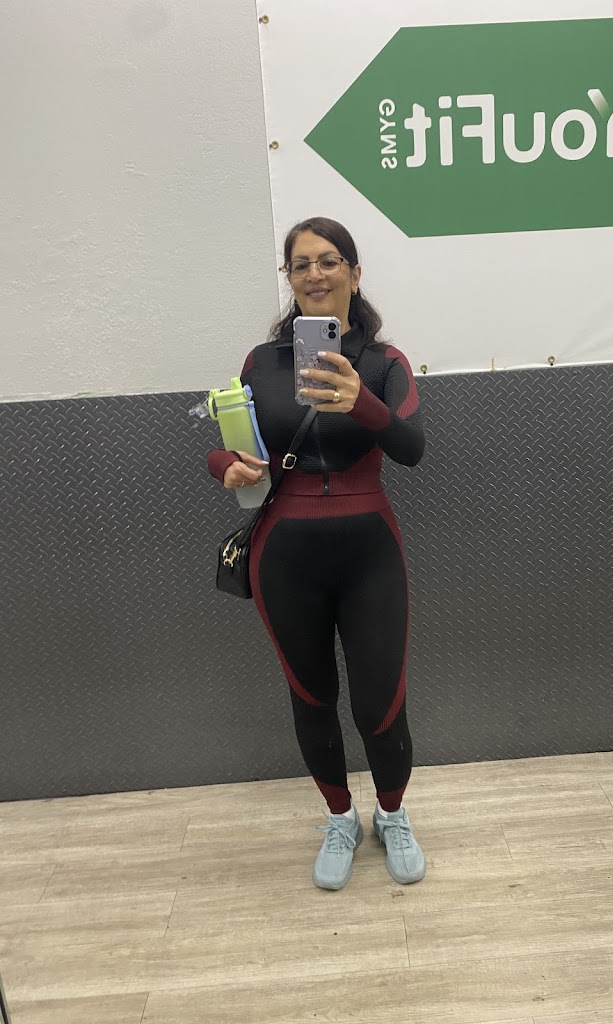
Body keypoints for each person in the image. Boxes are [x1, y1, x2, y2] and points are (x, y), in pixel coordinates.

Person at [207, 218, 427, 891]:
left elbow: (412, 448)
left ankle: (392, 814)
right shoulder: (261, 362)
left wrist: (363, 404)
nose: (314, 274)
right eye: (300, 264)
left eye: (328, 261)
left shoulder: (384, 363)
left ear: (354, 274)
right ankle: (339, 819)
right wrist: (224, 466)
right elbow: (230, 446)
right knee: (311, 697)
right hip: (285, 553)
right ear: (290, 279)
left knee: (380, 703)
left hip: (370, 553)